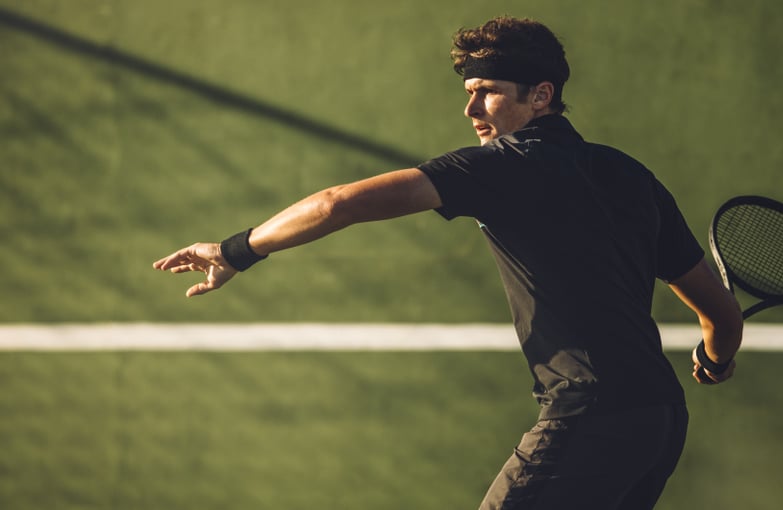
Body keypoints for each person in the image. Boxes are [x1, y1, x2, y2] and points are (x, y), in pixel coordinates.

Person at [153, 15, 742, 510]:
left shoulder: (503, 166)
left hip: (587, 415)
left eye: (486, 91)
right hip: (659, 422)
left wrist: (235, 250)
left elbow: (337, 204)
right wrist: (714, 359)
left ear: (540, 96)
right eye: (467, 92)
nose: (471, 110)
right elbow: (722, 317)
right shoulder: (630, 175)